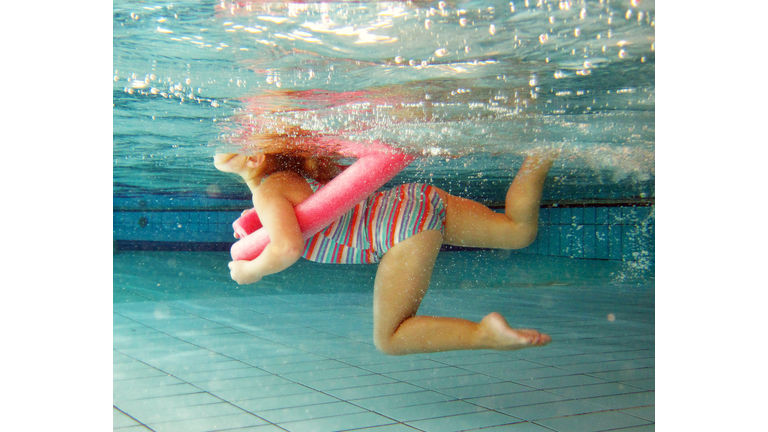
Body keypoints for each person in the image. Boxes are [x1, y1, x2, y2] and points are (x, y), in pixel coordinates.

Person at [213, 143, 558, 356]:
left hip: (402, 232)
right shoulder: (298, 175)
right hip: (415, 199)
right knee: (518, 231)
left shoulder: (269, 191)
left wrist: (251, 270)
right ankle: (541, 154)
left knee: (391, 339)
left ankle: (485, 335)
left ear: (254, 156)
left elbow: (287, 247)